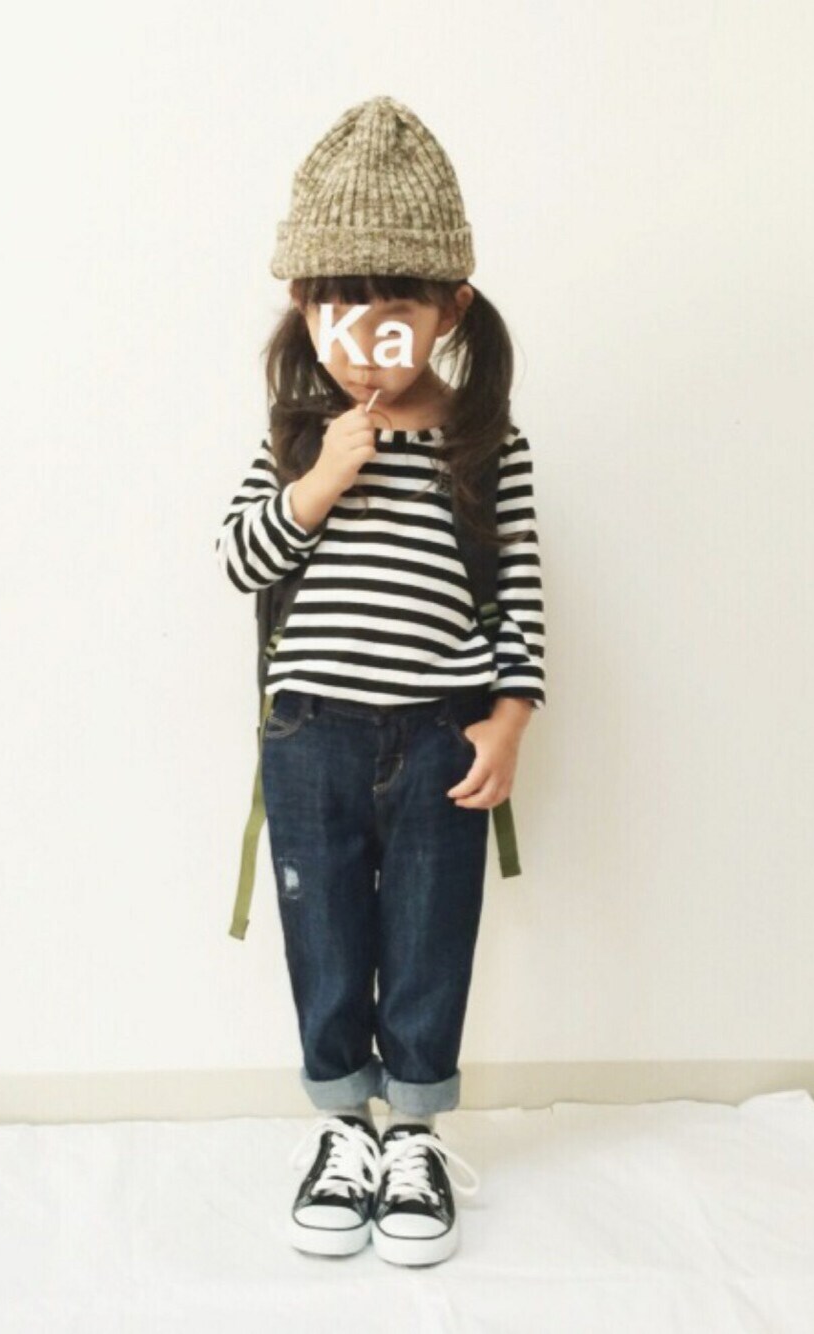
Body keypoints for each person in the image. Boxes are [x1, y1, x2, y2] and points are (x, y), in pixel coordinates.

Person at [215, 95, 546, 1267]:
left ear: (449, 308)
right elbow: (240, 560)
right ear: (303, 310)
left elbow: (518, 596)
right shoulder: (293, 437)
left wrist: (508, 718)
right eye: (335, 307)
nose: (363, 337)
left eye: (392, 309)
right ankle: (340, 1126)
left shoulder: (484, 443)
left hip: (440, 737)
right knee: (323, 932)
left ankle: (413, 1132)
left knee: (427, 933)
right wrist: (315, 483)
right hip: (310, 735)